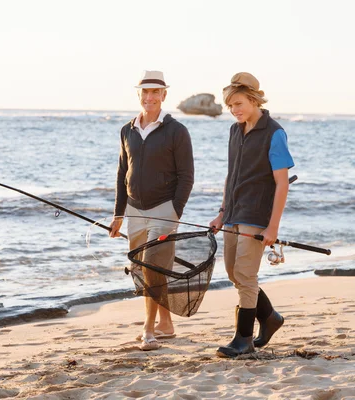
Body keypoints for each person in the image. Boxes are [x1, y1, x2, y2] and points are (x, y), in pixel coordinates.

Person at [209, 72, 294, 358]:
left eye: (239, 103)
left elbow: (282, 183)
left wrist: (273, 227)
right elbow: (231, 175)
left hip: (257, 213)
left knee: (246, 274)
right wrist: (222, 213)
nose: (235, 110)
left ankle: (243, 339)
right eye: (230, 106)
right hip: (233, 212)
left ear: (254, 99)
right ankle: (269, 317)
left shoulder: (274, 132)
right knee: (234, 272)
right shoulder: (235, 130)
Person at [110, 70, 194, 351]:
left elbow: (186, 176)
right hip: (134, 210)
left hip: (163, 210)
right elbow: (123, 172)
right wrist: (118, 214)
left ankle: (148, 330)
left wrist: (174, 212)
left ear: (164, 95)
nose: (150, 97)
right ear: (139, 95)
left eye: (155, 92)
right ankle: (166, 324)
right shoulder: (127, 129)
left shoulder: (177, 131)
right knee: (143, 269)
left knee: (152, 266)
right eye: (145, 92)